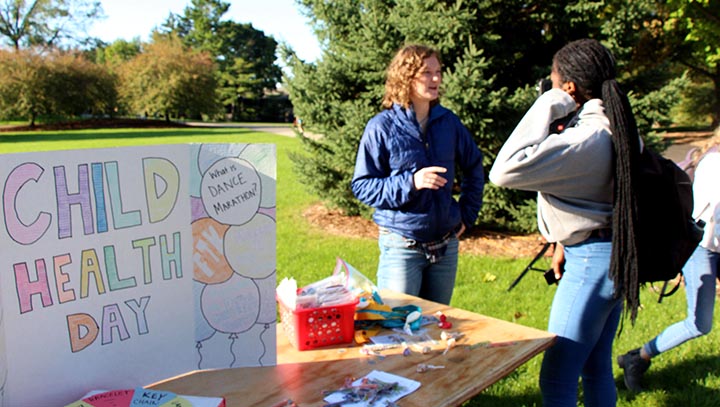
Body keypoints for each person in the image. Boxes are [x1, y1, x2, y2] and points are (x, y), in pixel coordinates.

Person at [489, 38, 644, 406]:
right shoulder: (620, 130)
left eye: (555, 80)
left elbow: (503, 171)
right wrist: (561, 243)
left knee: (557, 379)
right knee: (595, 367)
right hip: (613, 255)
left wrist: (550, 101)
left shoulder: (583, 140)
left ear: (570, 87)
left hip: (591, 264)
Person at [351, 44, 485, 305]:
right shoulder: (381, 126)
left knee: (435, 326)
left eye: (438, 71)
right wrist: (411, 182)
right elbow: (363, 185)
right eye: (426, 72)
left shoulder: (449, 123)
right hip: (402, 246)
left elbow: (474, 167)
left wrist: (467, 216)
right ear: (405, 76)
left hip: (446, 246)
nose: (435, 79)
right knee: (396, 325)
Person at [617, 126, 720, 392]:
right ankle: (637, 358)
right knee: (699, 323)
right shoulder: (714, 161)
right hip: (703, 247)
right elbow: (709, 212)